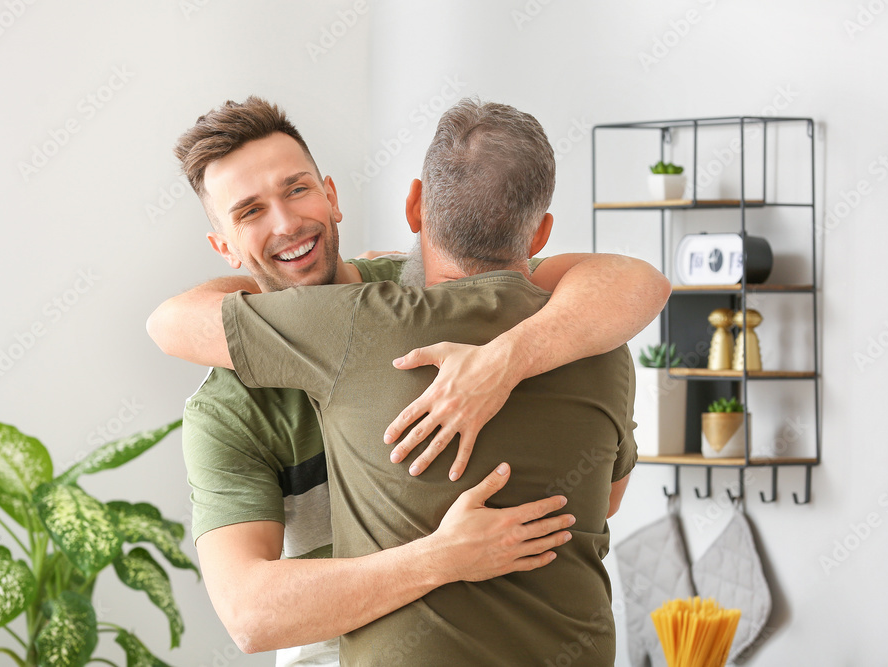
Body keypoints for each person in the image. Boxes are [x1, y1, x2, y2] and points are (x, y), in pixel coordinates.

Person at [148, 97, 670, 665]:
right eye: (249, 212)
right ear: (222, 246)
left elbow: (627, 282)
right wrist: (441, 557)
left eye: (296, 189)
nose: (286, 222)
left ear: (332, 196)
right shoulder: (229, 406)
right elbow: (251, 617)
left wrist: (505, 360)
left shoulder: (423, 281)